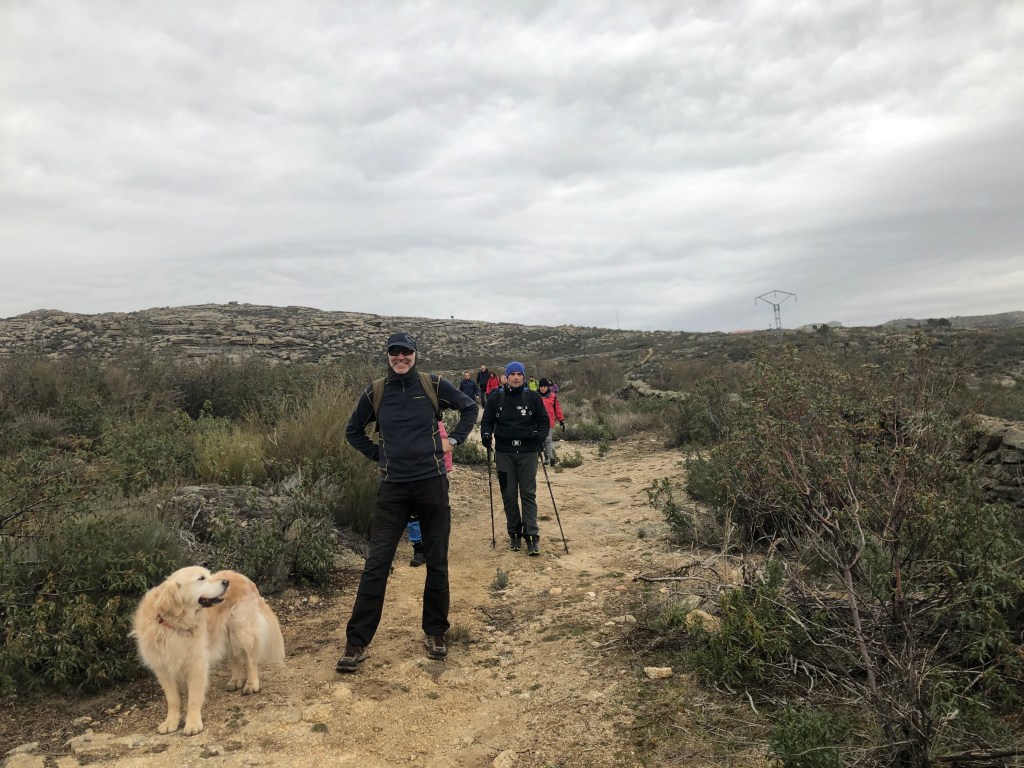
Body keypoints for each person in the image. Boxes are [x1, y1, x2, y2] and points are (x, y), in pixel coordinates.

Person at [338, 332, 479, 672]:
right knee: (376, 564)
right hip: (393, 488)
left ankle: (436, 632)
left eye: (406, 352)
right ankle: (356, 642)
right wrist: (379, 454)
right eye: (394, 353)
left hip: (432, 483)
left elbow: (470, 407)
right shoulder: (376, 391)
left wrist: (454, 441)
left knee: (437, 560)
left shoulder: (433, 384)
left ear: (415, 354)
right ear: (387, 356)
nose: (400, 358)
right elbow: (353, 431)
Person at [481, 362, 550, 556]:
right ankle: (514, 533)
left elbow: (544, 421)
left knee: (528, 494)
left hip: (528, 452)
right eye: (513, 374)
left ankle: (531, 536)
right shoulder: (496, 397)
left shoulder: (533, 397)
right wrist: (485, 434)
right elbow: (487, 421)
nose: (516, 377)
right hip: (504, 453)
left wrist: (541, 436)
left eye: (520, 374)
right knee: (509, 495)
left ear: (524, 377)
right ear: (507, 377)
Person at [407, 420, 455, 567]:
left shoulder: (435, 422)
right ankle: (418, 549)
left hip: (434, 475)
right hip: (410, 475)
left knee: (435, 513)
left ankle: (433, 549)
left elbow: (445, 447)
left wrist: (443, 470)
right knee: (413, 514)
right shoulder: (406, 419)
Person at [537, 378, 565, 465]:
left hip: (550, 422)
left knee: (548, 440)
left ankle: (551, 458)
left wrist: (561, 420)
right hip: (538, 422)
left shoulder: (553, 396)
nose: (543, 388)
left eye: (544, 386)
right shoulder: (535, 396)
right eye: (541, 387)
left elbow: (557, 409)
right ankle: (543, 457)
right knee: (540, 440)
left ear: (547, 387)